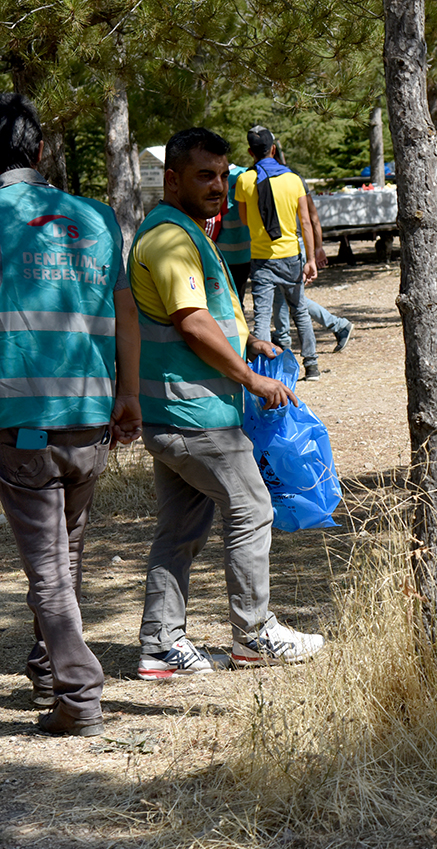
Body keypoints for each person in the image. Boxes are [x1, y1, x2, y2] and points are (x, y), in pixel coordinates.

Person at [130, 127, 324, 679]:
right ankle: (254, 634)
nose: (218, 185)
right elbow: (190, 323)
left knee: (180, 531)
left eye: (222, 174)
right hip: (196, 415)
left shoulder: (186, 231)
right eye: (204, 175)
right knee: (251, 506)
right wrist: (249, 377)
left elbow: (203, 313)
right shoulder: (168, 237)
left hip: (178, 412)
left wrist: (249, 341)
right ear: (172, 179)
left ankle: (161, 646)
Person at [0, 92, 142, 737]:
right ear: (37, 150)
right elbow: (127, 313)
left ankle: (78, 695)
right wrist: (129, 395)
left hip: (21, 422)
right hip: (91, 414)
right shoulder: (97, 217)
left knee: (49, 569)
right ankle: (44, 663)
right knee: (69, 553)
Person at [235, 125, 321, 380]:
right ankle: (312, 365)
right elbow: (305, 222)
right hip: (291, 256)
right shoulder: (293, 179)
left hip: (262, 258)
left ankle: (265, 368)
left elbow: (244, 219)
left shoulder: (244, 180)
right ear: (273, 149)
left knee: (261, 315)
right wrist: (312, 259)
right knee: (300, 311)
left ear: (251, 152)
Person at [268, 144, 355, 354]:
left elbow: (311, 217)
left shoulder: (291, 179)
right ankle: (284, 339)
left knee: (290, 296)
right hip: (283, 245)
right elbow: (313, 217)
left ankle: (334, 326)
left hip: (291, 245)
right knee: (286, 296)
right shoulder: (287, 177)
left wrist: (317, 249)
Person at [215, 163, 252, 308]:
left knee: (227, 298)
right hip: (246, 250)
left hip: (222, 251)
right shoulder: (247, 174)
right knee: (239, 296)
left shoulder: (213, 178)